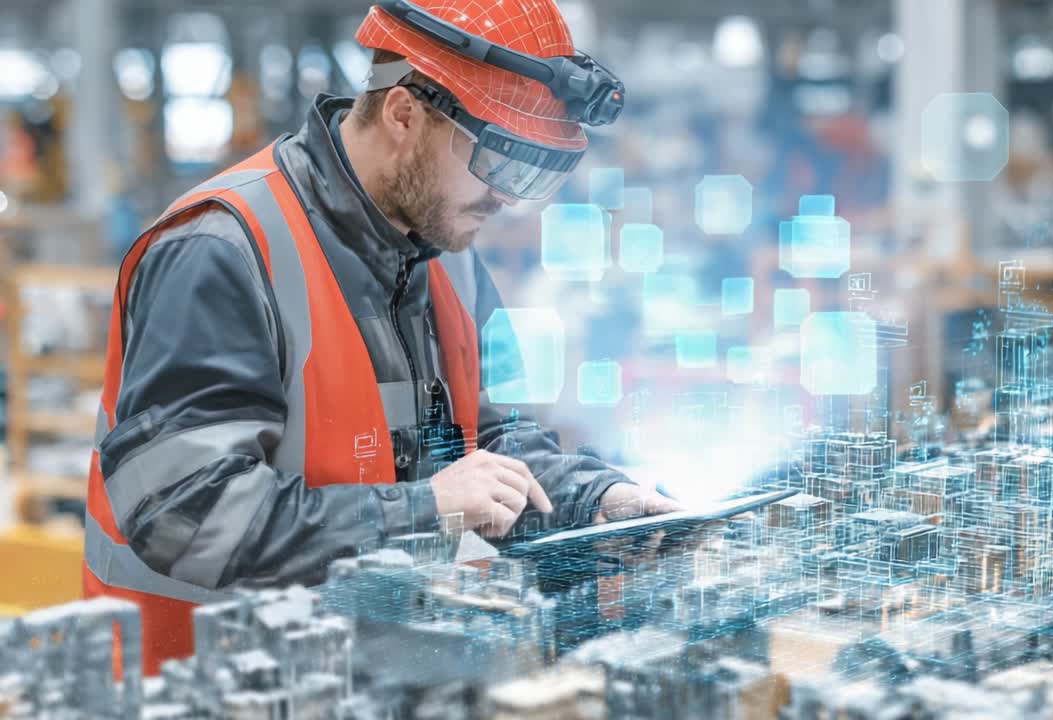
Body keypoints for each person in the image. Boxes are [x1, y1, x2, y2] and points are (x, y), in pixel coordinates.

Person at [83, 0, 679, 674]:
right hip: (204, 683)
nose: (506, 198)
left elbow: (497, 442)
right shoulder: (222, 251)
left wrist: (595, 501)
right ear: (403, 114)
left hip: (363, 678)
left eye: (530, 176)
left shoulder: (449, 253)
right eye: (497, 162)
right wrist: (424, 509)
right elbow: (184, 510)